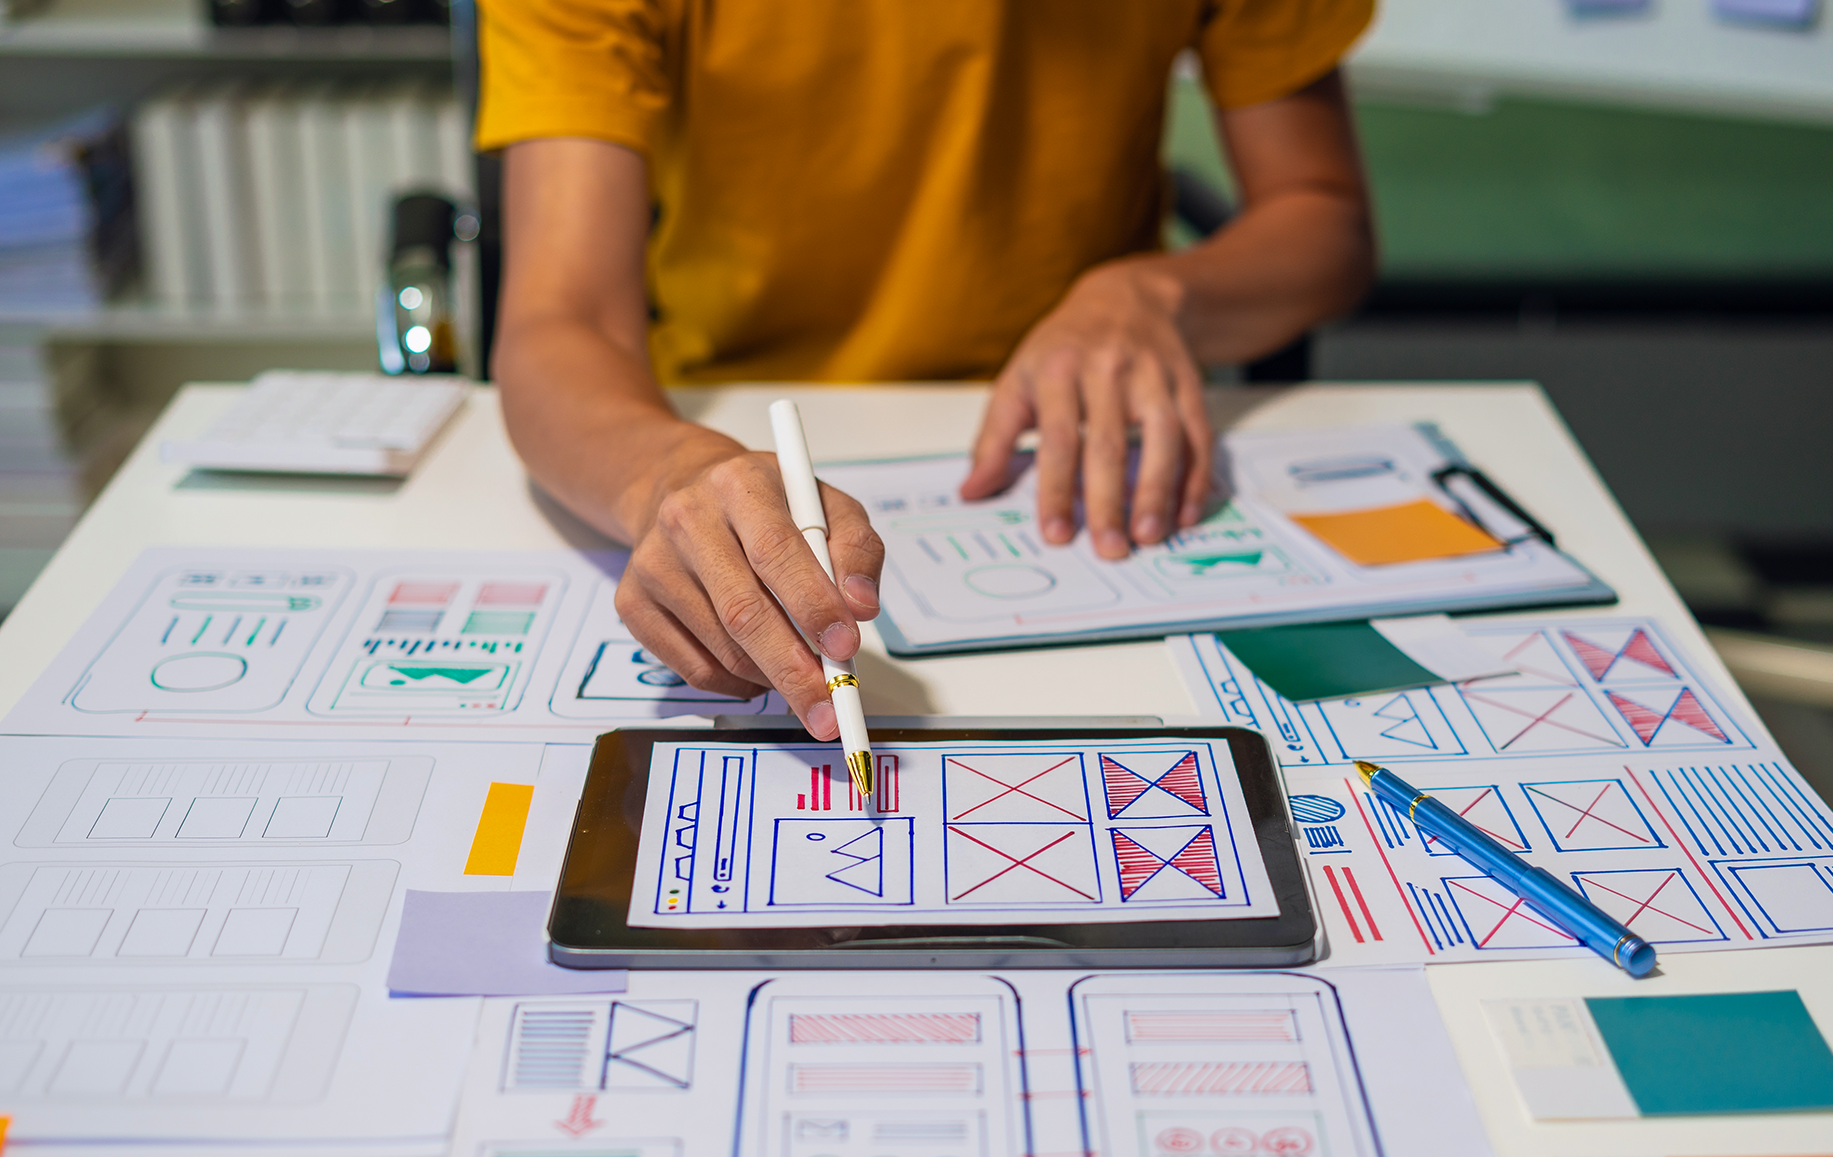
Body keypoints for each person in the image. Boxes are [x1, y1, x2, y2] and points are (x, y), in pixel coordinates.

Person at [477, 0, 1378, 739]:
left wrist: (1160, 296)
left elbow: (1324, 217)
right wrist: (671, 475)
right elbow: (560, 320)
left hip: (1084, 447)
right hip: (730, 428)